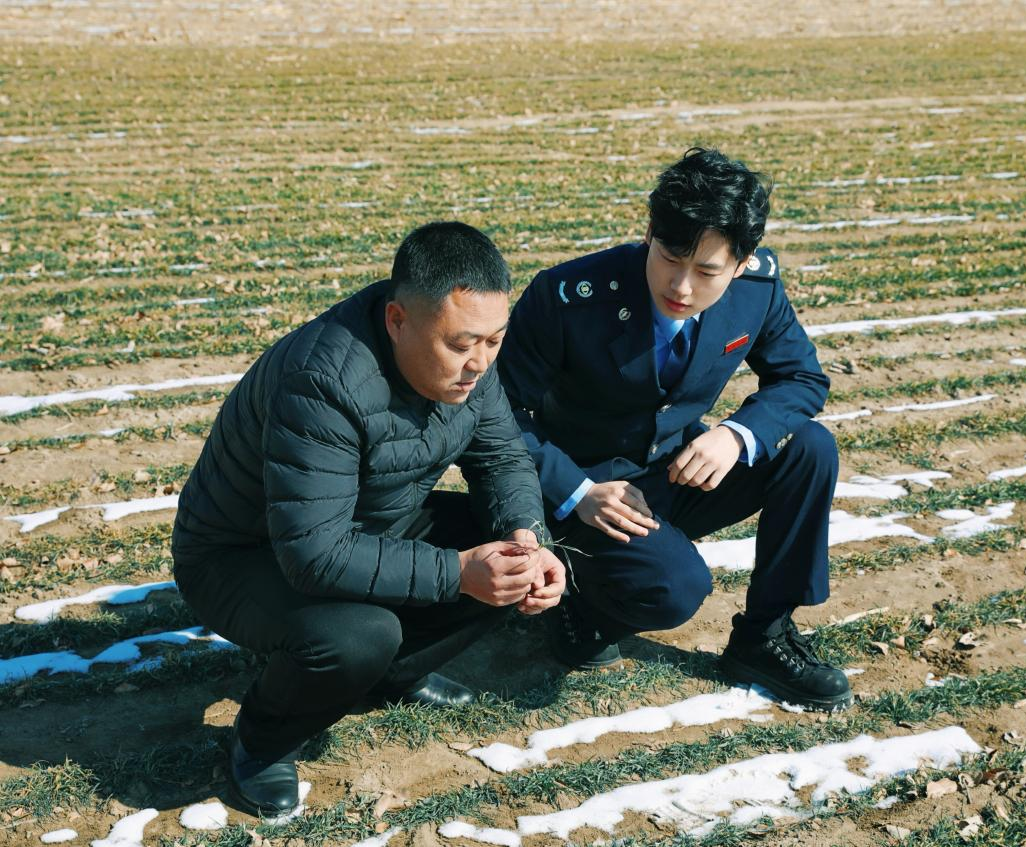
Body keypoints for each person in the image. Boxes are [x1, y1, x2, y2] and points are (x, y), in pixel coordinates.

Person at [171, 222, 566, 816]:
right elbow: (314, 553)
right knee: (357, 636)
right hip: (245, 554)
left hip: (370, 523)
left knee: (508, 558)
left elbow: (502, 459)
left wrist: (526, 540)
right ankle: (261, 741)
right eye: (461, 345)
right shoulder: (322, 379)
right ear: (397, 320)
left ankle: (391, 674)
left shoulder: (471, 361)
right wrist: (458, 572)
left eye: (494, 341)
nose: (479, 363)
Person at [498, 148, 850, 712]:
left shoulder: (757, 288)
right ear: (649, 234)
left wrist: (735, 435)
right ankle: (582, 602)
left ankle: (764, 636)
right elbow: (496, 413)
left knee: (810, 447)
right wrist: (577, 491)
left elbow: (802, 377)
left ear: (741, 263)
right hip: (585, 487)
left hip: (675, 468)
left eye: (707, 271)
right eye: (668, 257)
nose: (681, 287)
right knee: (676, 588)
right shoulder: (569, 296)